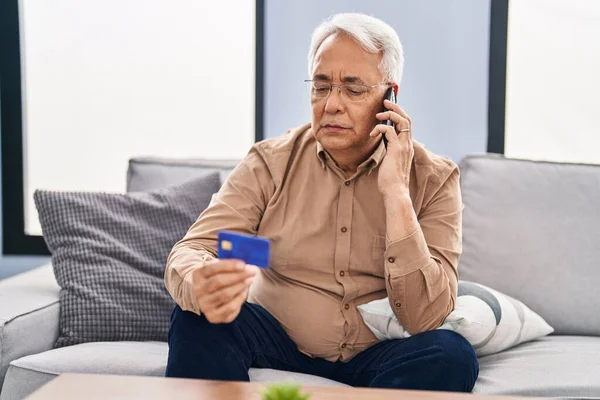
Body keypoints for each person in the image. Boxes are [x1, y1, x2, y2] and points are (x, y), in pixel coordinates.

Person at [163, 13, 478, 392]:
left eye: (353, 89)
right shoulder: (270, 162)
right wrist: (200, 280)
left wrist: (396, 194)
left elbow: (427, 317)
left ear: (390, 96)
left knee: (451, 355)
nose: (332, 104)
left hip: (379, 353)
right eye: (321, 86)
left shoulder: (434, 178)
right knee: (194, 318)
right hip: (278, 340)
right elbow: (195, 247)